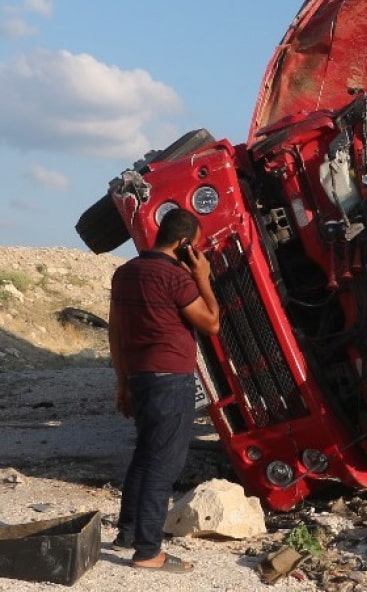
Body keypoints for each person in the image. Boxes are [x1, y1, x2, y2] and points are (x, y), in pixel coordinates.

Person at [108, 208, 220, 572]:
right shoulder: (176, 278)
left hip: (140, 377)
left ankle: (128, 533)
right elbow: (212, 323)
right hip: (170, 378)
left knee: (145, 455)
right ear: (184, 243)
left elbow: (115, 332)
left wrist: (122, 382)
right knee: (164, 464)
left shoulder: (125, 274)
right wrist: (202, 277)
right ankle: (147, 551)